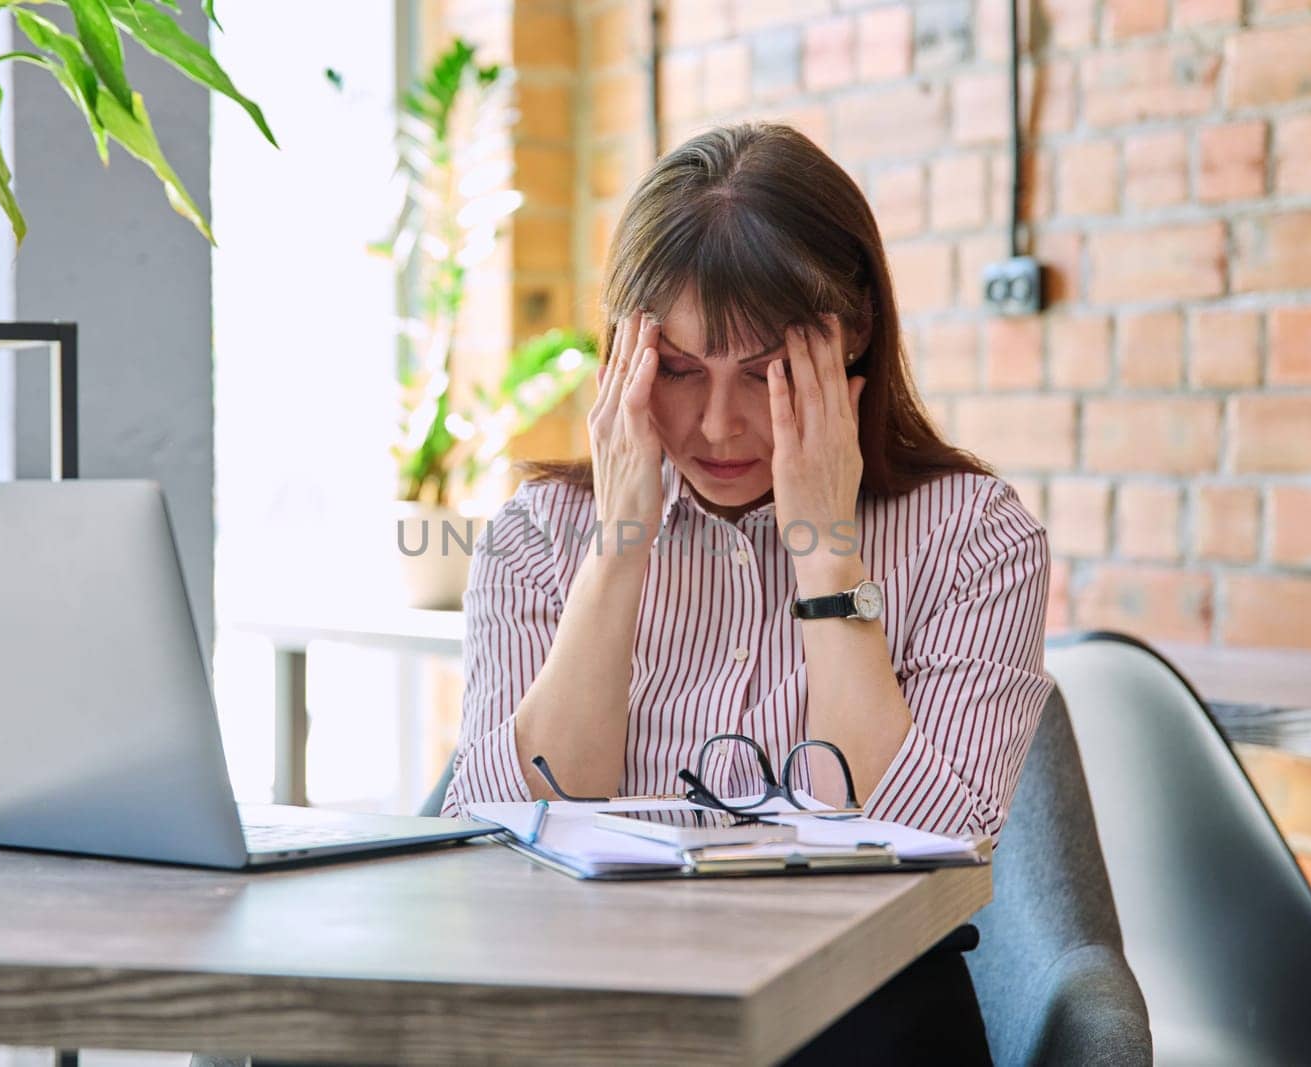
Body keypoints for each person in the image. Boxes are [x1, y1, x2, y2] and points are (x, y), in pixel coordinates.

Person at [440, 121, 1050, 1064]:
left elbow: (929, 843)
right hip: (594, 1000)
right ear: (623, 358)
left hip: (856, 1010)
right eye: (679, 372)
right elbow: (503, 830)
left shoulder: (975, 536)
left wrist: (826, 552)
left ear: (853, 346)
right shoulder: (540, 536)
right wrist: (618, 548)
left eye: (766, 373)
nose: (719, 424)